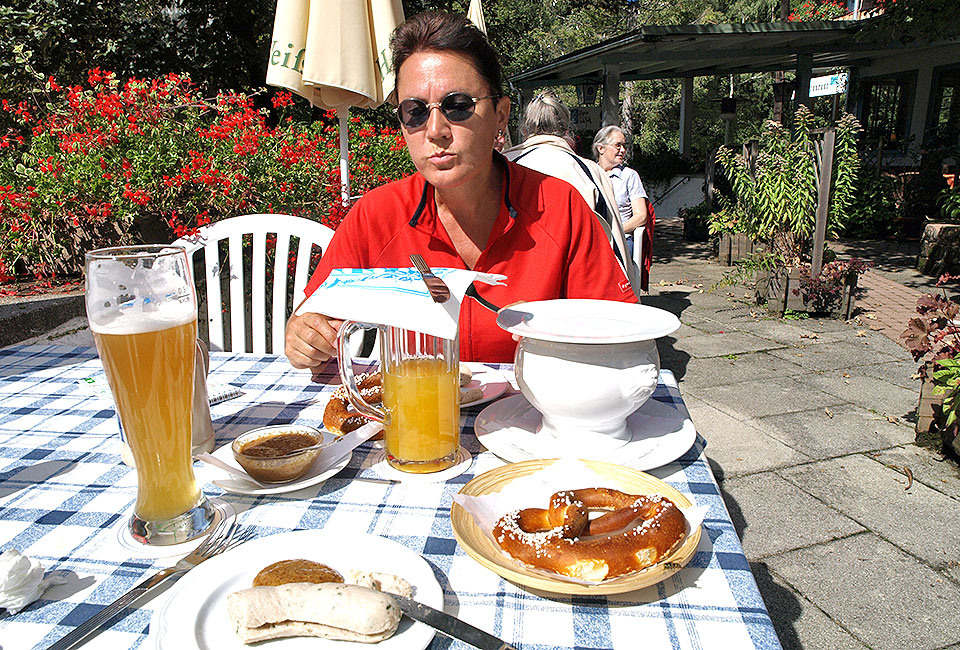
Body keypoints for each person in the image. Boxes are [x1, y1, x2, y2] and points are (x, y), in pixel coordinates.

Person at [284, 12, 636, 369]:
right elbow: (313, 319)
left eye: (457, 106)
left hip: (533, 413)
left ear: (500, 115)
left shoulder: (560, 209)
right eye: (415, 111)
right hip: (416, 413)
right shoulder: (378, 214)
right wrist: (306, 337)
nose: (435, 129)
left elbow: (619, 332)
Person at [502, 92, 639, 294]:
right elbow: (615, 244)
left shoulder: (502, 166)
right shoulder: (591, 172)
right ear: (566, 130)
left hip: (509, 287)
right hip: (576, 293)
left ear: (524, 130)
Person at [593, 125, 655, 291]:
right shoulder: (589, 173)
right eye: (617, 145)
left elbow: (641, 216)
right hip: (593, 236)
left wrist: (615, 232)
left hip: (622, 237)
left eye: (624, 146)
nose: (622, 150)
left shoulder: (629, 176)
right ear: (601, 148)